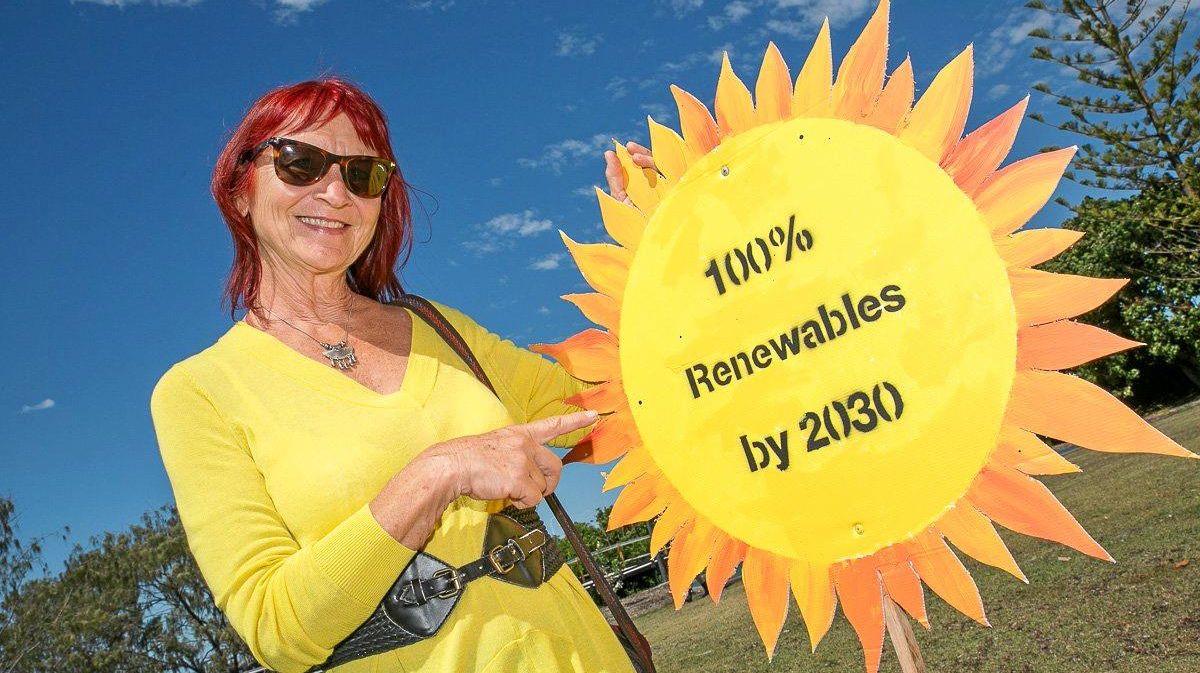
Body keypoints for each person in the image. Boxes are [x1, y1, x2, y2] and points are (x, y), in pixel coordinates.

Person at [149, 78, 656, 673]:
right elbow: (277, 629)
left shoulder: (440, 329)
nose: (335, 192)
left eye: (362, 174)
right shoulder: (200, 391)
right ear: (241, 191)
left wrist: (647, 247)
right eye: (300, 164)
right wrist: (439, 472)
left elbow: (620, 406)